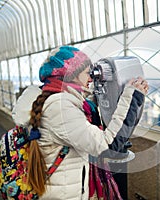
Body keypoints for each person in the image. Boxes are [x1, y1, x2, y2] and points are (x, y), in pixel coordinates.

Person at [12, 45, 148, 199]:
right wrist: (132, 97)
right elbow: (108, 146)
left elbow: (79, 117)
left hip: (61, 188)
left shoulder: (51, 98)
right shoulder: (60, 107)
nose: (91, 78)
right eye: (87, 73)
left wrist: (100, 95)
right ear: (71, 75)